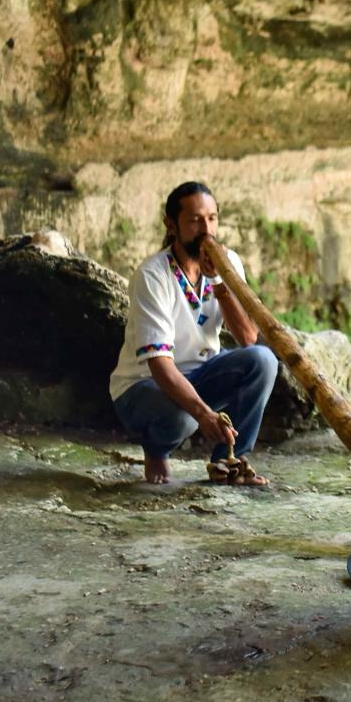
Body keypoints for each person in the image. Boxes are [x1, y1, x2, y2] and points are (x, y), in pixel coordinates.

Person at [109, 181, 278, 485]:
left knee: (263, 361)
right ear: (171, 225)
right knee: (183, 417)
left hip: (201, 373)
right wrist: (203, 414)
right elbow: (159, 365)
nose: (207, 229)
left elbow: (248, 338)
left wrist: (220, 282)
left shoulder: (229, 263)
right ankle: (157, 449)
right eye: (195, 220)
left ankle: (228, 463)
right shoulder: (153, 275)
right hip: (143, 386)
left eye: (212, 218)